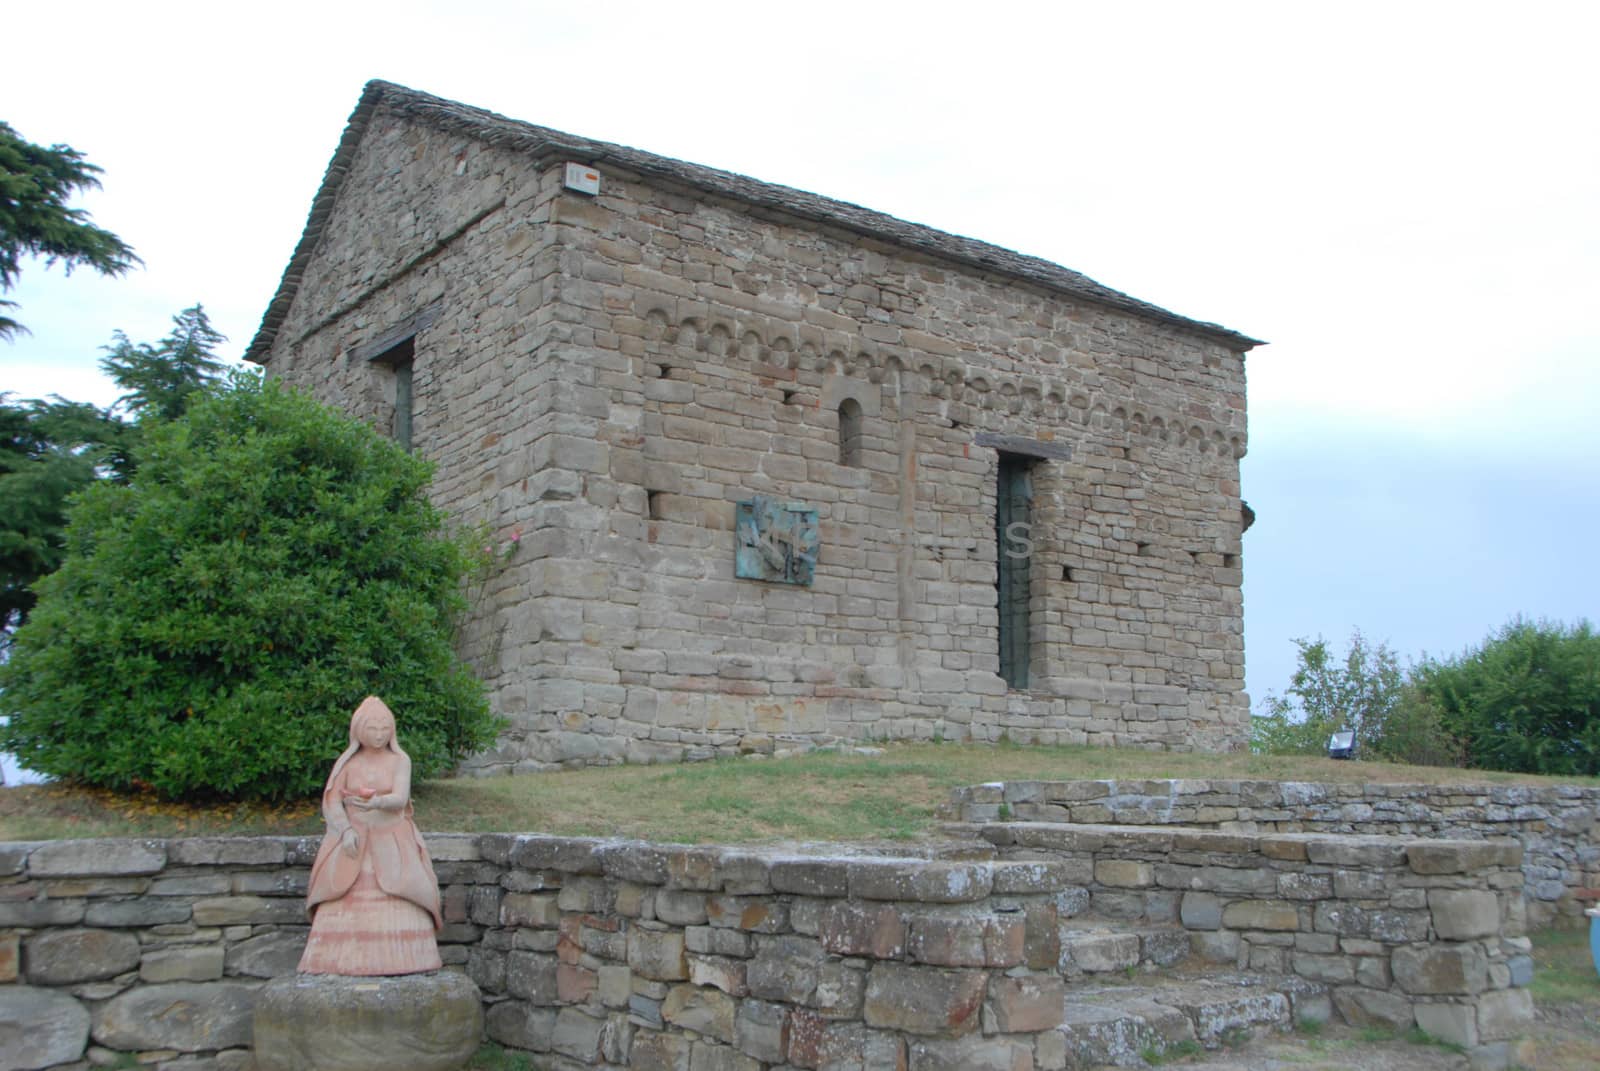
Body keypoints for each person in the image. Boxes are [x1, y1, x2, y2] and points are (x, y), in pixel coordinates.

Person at [298, 696, 443, 975]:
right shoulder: (348, 763)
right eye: (372, 730)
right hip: (354, 840)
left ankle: (410, 958)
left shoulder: (400, 760)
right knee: (338, 892)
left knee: (407, 891)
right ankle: (335, 960)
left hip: (393, 838)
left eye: (384, 729)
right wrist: (345, 830)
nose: (378, 736)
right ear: (358, 731)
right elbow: (331, 802)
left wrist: (377, 803)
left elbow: (400, 798)